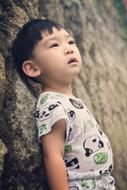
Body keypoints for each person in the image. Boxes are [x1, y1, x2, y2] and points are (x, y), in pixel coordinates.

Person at [12, 19, 115, 190]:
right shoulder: (51, 104)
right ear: (32, 68)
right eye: (54, 45)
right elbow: (53, 156)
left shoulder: (66, 99)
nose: (69, 48)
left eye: (70, 41)